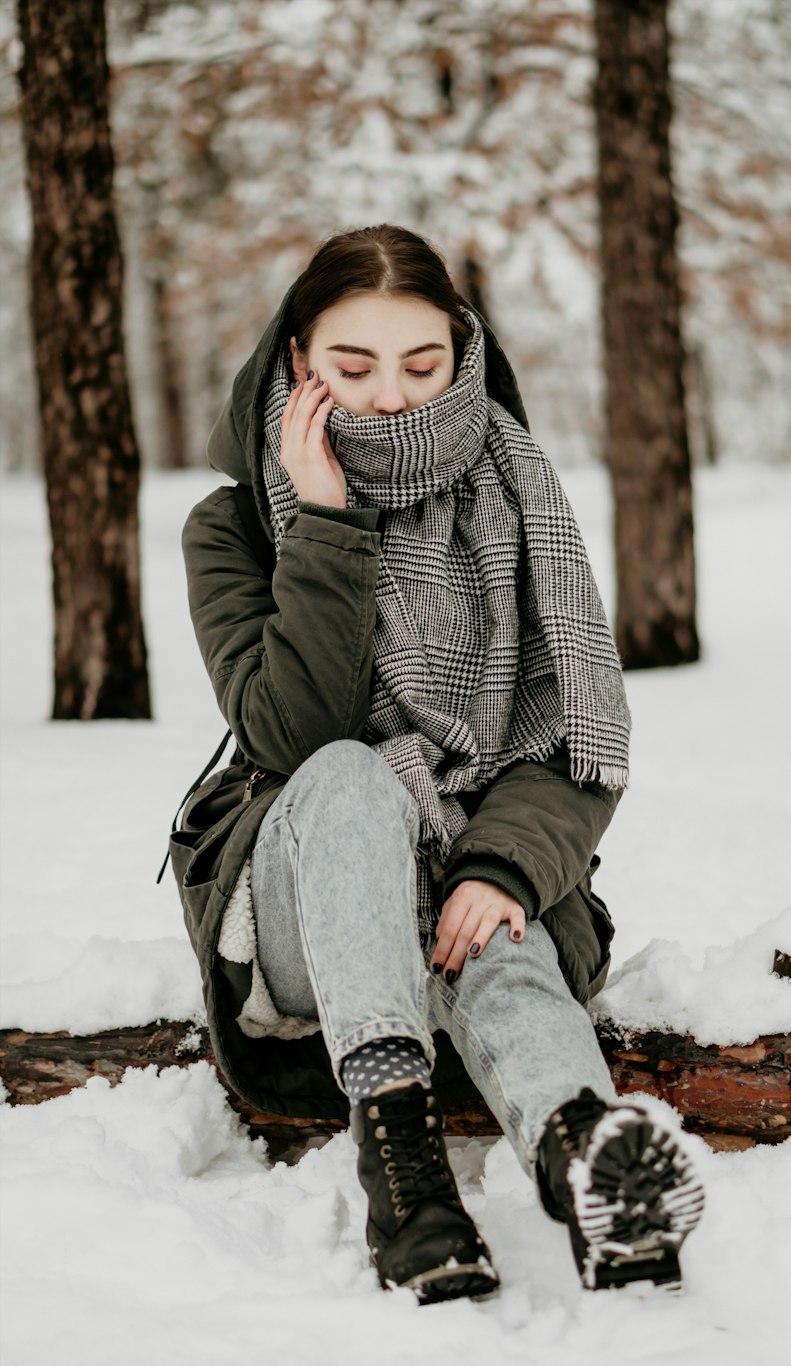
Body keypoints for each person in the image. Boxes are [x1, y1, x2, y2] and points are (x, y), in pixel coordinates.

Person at [168, 224, 704, 1305]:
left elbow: (576, 742)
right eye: (350, 368)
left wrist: (500, 868)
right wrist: (324, 518)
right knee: (355, 781)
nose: (390, 399)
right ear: (296, 366)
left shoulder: (518, 503)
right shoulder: (233, 527)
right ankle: (404, 1179)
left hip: (466, 850)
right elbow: (291, 735)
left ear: (461, 355)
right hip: (297, 897)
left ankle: (593, 1165)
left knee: (490, 927)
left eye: (421, 366)